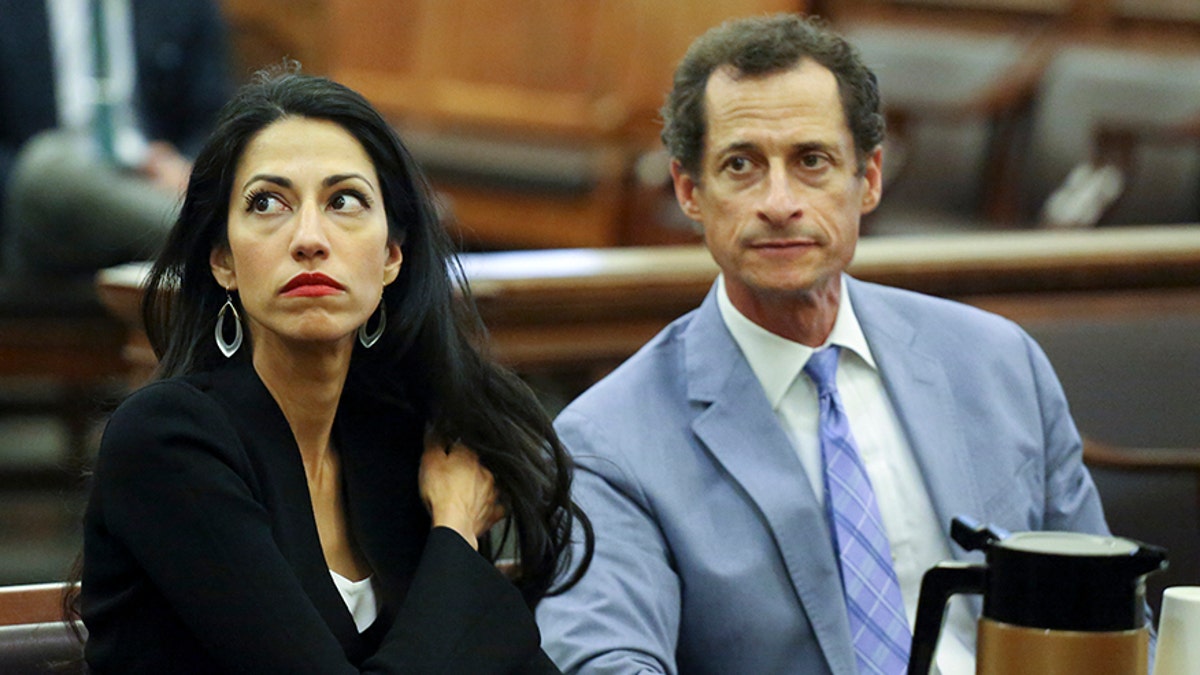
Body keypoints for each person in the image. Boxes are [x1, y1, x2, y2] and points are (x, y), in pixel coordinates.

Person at [534, 14, 1111, 675]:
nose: (779, 202)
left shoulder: (998, 362)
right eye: (741, 165)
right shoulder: (609, 439)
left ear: (868, 179)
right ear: (690, 191)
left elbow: (1106, 614)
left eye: (812, 161)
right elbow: (605, 662)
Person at [78, 67, 592, 673]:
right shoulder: (167, 439)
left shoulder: (397, 439)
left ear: (392, 256)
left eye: (343, 201)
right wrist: (455, 525)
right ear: (223, 260)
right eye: (267, 203)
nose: (309, 238)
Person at [0, 0, 233, 276]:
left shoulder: (181, 6)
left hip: (152, 187)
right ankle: (218, 245)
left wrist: (186, 169)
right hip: (41, 212)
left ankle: (202, 242)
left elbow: (214, 118)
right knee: (46, 164)